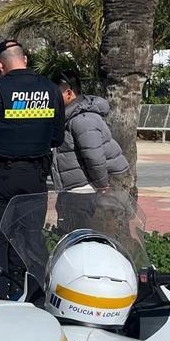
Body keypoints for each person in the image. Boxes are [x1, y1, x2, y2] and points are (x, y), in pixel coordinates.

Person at [0, 39, 66, 299]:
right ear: (25, 60)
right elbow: (57, 138)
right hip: (35, 176)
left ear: (0, 65)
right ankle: (30, 289)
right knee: (29, 234)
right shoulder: (51, 90)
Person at [51, 72, 131, 232]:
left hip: (82, 190)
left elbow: (93, 156)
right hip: (76, 189)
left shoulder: (83, 119)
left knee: (79, 235)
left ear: (69, 92)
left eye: (54, 92)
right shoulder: (70, 117)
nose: (50, 98)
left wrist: (101, 184)